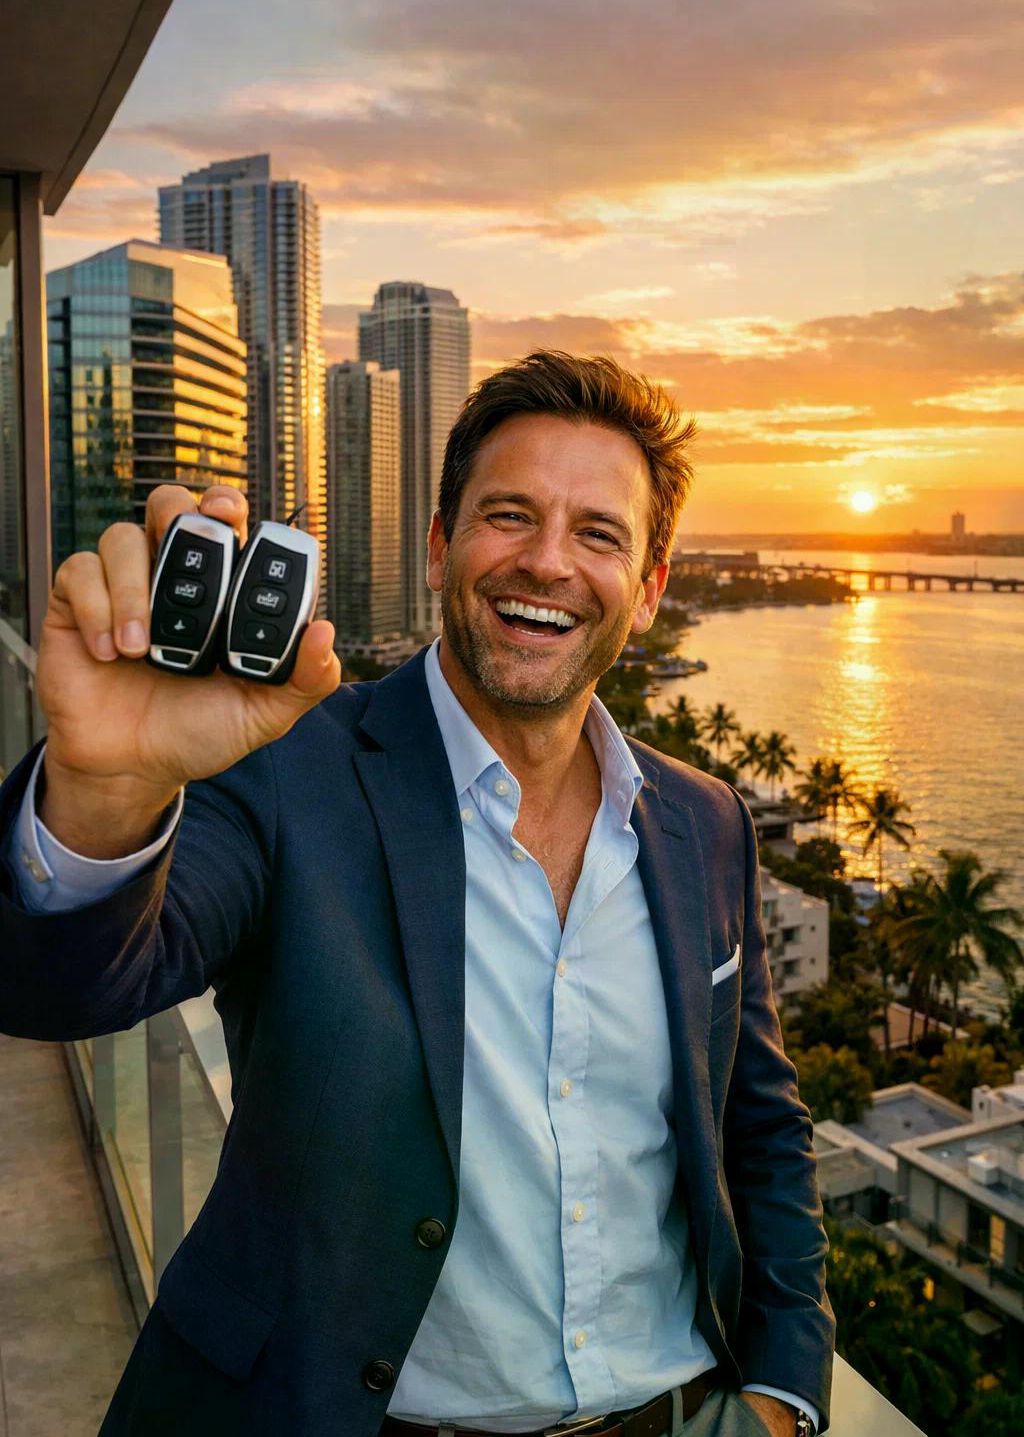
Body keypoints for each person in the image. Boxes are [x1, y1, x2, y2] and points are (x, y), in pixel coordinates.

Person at [0, 351, 834, 1437]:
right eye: (508, 516)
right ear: (441, 544)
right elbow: (60, 989)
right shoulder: (289, 768)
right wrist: (106, 788)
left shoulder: (705, 823)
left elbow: (757, 1127)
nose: (546, 563)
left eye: (597, 534)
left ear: (650, 584)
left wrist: (781, 1394)